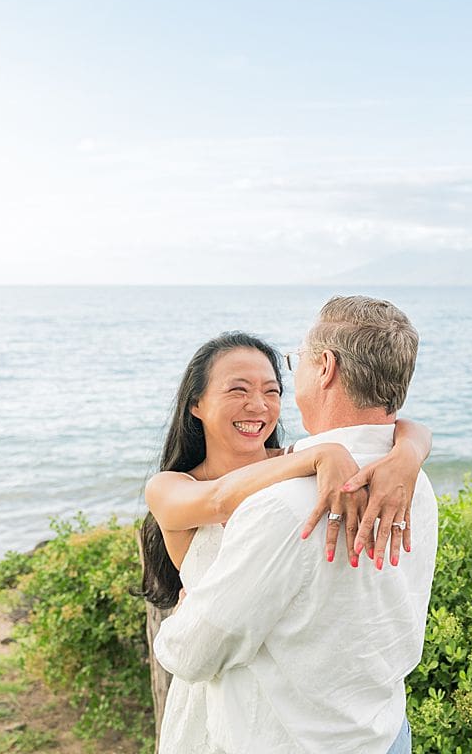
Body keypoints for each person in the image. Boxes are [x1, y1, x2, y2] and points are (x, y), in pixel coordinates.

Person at [154, 296, 437, 753]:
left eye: (278, 382)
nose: (260, 405)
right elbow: (217, 498)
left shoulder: (284, 506)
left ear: (324, 367)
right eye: (237, 389)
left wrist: (187, 615)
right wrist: (407, 451)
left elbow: (191, 652)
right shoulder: (409, 483)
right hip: (383, 735)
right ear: (196, 404)